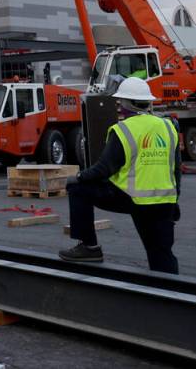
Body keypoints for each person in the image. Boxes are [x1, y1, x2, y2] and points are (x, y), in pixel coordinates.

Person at [59, 77, 182, 274]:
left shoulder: (123, 129)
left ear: (125, 103)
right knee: (161, 256)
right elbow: (176, 170)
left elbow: (103, 169)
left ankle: (90, 248)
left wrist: (79, 177)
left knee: (77, 189)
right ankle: (172, 297)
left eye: (119, 102)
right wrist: (175, 200)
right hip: (163, 203)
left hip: (131, 199)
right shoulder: (168, 127)